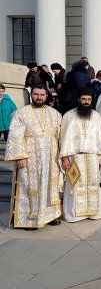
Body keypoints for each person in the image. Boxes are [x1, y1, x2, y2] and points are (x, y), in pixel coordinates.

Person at [5, 85, 62, 229]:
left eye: (42, 95)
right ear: (32, 95)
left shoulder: (55, 113)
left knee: (49, 187)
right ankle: (28, 219)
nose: (39, 97)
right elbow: (15, 135)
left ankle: (49, 216)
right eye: (36, 94)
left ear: (47, 96)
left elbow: (60, 136)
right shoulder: (21, 113)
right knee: (29, 188)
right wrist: (19, 156)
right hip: (30, 158)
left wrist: (62, 156)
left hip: (51, 159)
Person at [60, 87, 101, 223]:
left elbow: (100, 138)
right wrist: (64, 157)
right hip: (75, 157)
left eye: (89, 99)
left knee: (93, 184)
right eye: (84, 99)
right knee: (74, 185)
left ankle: (94, 212)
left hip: (92, 157)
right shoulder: (68, 115)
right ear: (78, 99)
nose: (86, 101)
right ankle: (74, 214)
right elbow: (63, 138)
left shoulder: (97, 116)